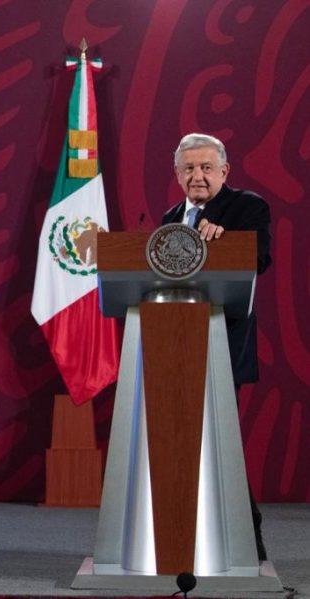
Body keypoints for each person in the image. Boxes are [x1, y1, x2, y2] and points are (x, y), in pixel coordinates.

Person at [162, 132, 271, 560]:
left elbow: (259, 257)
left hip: (223, 342)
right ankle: (185, 542)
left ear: (224, 171)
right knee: (184, 448)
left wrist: (224, 239)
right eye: (189, 168)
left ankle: (248, 545)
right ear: (177, 174)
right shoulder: (171, 217)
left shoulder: (247, 206)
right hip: (173, 345)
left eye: (206, 167)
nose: (198, 176)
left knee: (220, 443)